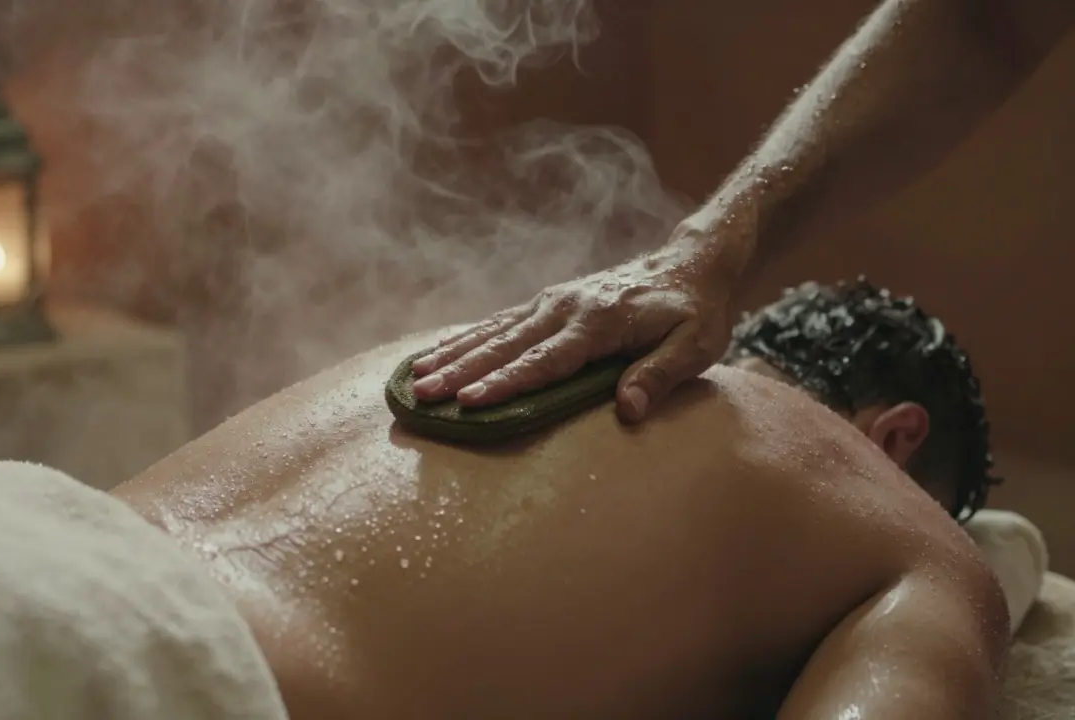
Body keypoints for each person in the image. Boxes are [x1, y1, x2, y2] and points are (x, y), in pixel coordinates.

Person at [111, 279, 1009, 719]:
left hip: (20, 542)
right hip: (180, 690)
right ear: (895, 440)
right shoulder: (891, 515)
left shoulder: (501, 340)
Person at [409, 0, 1075, 423]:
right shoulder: (916, 557)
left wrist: (701, 254)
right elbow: (983, 20)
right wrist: (702, 253)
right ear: (893, 440)